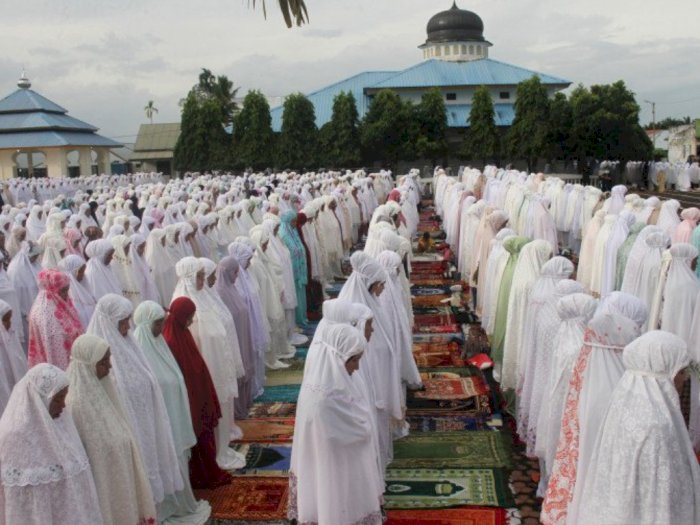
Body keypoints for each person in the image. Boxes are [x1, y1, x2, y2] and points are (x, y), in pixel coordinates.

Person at [577, 331, 700, 524]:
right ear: (662, 371)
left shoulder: (623, 401)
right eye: (681, 371)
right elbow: (661, 498)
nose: (684, 379)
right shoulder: (656, 425)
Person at [86, 294, 183, 507]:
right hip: (127, 425)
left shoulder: (129, 343)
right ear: (109, 322)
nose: (126, 327)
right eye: (122, 322)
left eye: (127, 321)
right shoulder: (100, 354)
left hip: (145, 418)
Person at [289, 323, 383, 525]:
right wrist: (364, 428)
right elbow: (352, 433)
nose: (357, 367)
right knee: (337, 501)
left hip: (339, 463)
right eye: (354, 360)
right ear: (337, 358)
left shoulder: (334, 384)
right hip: (334, 466)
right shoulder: (324, 399)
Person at [133, 301, 212, 524]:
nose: (161, 328)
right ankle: (168, 507)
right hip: (162, 425)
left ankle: (181, 501)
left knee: (178, 462)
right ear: (147, 324)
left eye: (162, 322)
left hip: (174, 420)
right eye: (158, 324)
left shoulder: (159, 346)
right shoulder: (141, 352)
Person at [67, 334, 157, 525]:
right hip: (102, 482)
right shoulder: (75, 404)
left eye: (109, 359)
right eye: (103, 361)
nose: (109, 366)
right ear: (88, 364)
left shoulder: (104, 386)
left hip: (118, 474)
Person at [0, 363, 103, 525]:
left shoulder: (63, 424)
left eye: (64, 398)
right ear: (39, 399)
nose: (63, 405)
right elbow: (17, 503)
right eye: (58, 399)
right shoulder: (13, 436)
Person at [163, 296, 232, 489]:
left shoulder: (182, 332)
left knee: (205, 435)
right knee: (198, 435)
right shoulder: (170, 339)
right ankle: (201, 475)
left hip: (198, 393)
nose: (191, 321)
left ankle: (208, 470)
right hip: (189, 397)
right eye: (189, 317)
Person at [27, 269, 83, 370]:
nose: (67, 294)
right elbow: (56, 350)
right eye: (63, 290)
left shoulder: (57, 301)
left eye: (67, 289)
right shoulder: (46, 313)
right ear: (52, 288)